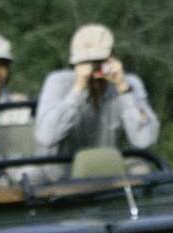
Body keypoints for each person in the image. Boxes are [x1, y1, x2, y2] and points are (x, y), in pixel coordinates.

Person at [34, 23, 160, 177]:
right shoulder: (58, 82)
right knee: (34, 174)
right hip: (64, 175)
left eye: (100, 60)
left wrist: (124, 90)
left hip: (111, 173)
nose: (95, 69)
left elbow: (144, 141)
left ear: (113, 58)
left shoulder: (129, 84)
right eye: (88, 62)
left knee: (142, 169)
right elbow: (45, 137)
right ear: (75, 63)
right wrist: (78, 89)